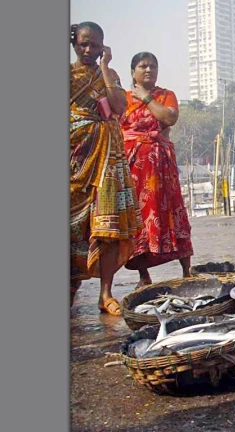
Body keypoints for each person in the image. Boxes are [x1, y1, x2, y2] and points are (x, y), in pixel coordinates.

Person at [70, 22, 142, 315]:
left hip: (108, 159)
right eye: (83, 44)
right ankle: (71, 288)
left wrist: (105, 68)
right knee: (72, 228)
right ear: (74, 44)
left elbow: (119, 106)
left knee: (109, 226)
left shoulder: (109, 75)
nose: (89, 50)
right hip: (75, 157)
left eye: (95, 45)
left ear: (103, 47)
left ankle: (106, 293)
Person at [120, 52, 194, 287]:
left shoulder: (165, 95)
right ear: (133, 71)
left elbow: (169, 118)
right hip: (134, 167)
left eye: (153, 66)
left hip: (162, 165)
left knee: (174, 211)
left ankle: (187, 271)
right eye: (143, 66)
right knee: (138, 218)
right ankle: (144, 275)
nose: (149, 70)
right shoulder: (121, 98)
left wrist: (147, 99)